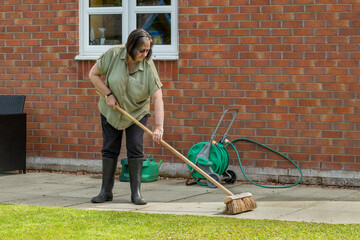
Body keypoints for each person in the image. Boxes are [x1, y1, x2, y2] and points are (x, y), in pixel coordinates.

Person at [88, 29, 164, 205]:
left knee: (135, 148)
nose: (145, 54)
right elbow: (93, 75)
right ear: (131, 46)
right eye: (141, 50)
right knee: (109, 148)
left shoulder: (148, 66)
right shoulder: (113, 55)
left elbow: (158, 97)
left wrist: (159, 127)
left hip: (137, 112)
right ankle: (105, 192)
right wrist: (108, 94)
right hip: (112, 111)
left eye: (147, 50)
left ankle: (136, 194)